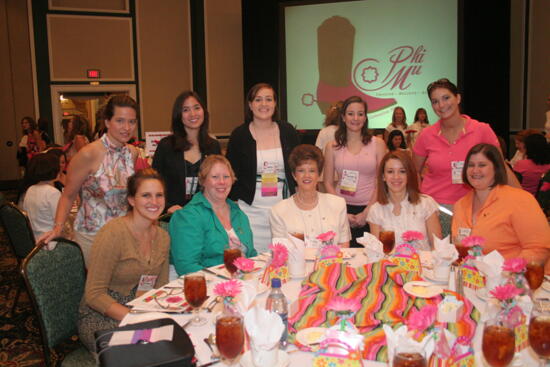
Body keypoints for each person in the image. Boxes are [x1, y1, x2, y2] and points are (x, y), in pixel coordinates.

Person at [38, 95, 139, 265]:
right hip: (93, 235)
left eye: (132, 121)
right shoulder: (88, 154)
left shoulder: (132, 153)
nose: (127, 127)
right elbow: (68, 195)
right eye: (120, 121)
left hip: (123, 233)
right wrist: (58, 227)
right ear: (107, 122)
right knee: (99, 287)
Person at [78, 168, 169, 353]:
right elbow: (94, 295)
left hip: (140, 310)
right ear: (131, 200)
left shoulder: (163, 237)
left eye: (159, 195)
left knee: (175, 346)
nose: (154, 202)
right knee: (140, 355)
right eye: (146, 195)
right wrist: (133, 318)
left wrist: (151, 314)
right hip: (102, 315)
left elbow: (160, 286)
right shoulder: (113, 234)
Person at [413, 78, 519, 207]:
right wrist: (418, 202)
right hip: (435, 207)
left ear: (458, 98)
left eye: (446, 98)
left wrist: (523, 200)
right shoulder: (426, 135)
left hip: (474, 205)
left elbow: (501, 168)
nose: (441, 105)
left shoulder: (481, 130)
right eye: (435, 101)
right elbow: (414, 171)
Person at [226, 83, 300, 253]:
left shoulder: (287, 131)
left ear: (275, 104)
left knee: (285, 255)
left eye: (268, 99)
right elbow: (231, 173)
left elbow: (299, 165)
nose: (264, 104)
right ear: (250, 105)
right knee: (254, 258)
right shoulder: (239, 135)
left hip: (284, 207)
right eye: (258, 100)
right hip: (251, 209)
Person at [452, 144, 550, 263]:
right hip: (472, 278)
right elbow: (459, 249)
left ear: (496, 168)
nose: (475, 170)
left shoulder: (520, 200)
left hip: (515, 277)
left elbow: (539, 249)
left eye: (482, 165)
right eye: (471, 165)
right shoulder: (460, 205)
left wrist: (508, 271)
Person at [170, 155, 256, 275]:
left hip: (244, 283)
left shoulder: (239, 214)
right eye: (215, 177)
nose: (222, 182)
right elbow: (186, 267)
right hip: (208, 287)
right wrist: (223, 279)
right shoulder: (188, 217)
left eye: (226, 176)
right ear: (203, 181)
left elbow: (251, 255)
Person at [324, 96, 387, 247]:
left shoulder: (378, 144)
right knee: (342, 259)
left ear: (365, 118)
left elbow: (381, 181)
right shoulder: (332, 146)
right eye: (351, 113)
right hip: (341, 209)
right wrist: (341, 212)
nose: (356, 118)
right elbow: (327, 182)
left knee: (371, 259)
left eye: (360, 113)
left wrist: (367, 212)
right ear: (343, 117)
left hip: (372, 207)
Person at [153, 91, 221, 213]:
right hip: (173, 217)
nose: (193, 114)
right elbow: (153, 182)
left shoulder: (213, 147)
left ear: (204, 111)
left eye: (196, 108)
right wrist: (167, 206)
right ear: (178, 115)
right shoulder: (166, 146)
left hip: (205, 215)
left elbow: (219, 183)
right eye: (186, 110)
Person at [270, 145, 350, 247]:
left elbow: (344, 245)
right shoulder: (278, 211)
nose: (307, 175)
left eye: (312, 171)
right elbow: (280, 252)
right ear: (294, 175)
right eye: (301, 171)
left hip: (332, 262)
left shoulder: (337, 204)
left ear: (319, 174)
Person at [367, 150, 441, 250]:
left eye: (402, 171)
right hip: (390, 265)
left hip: (424, 264)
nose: (396, 177)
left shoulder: (426, 204)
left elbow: (437, 247)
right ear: (383, 176)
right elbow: (376, 251)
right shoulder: (375, 210)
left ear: (409, 175)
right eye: (390, 172)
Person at [20, 153, 61, 239]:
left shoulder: (31, 189)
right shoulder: (52, 193)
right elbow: (60, 221)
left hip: (34, 238)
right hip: (51, 239)